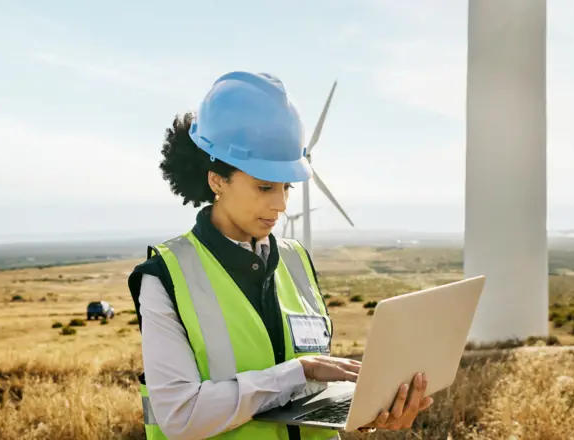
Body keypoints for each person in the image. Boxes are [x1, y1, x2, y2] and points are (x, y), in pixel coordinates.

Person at [128, 71, 433, 440]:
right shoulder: (165, 276)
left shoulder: (296, 261)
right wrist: (297, 372)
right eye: (264, 186)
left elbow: (312, 396)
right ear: (216, 180)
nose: (282, 204)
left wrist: (370, 409)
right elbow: (181, 415)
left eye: (287, 186)